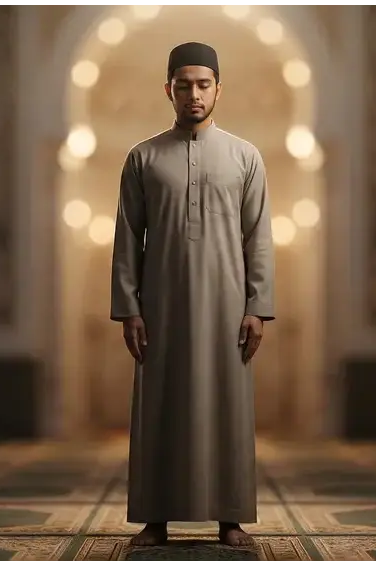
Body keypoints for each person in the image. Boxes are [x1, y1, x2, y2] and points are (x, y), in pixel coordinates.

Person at [109, 41, 275, 547]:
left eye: (204, 85)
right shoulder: (143, 157)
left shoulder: (246, 156)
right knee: (159, 405)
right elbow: (126, 237)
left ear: (219, 89)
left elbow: (258, 236)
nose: (194, 94)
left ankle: (230, 519)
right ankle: (154, 519)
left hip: (228, 309)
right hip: (161, 305)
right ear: (169, 90)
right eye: (184, 85)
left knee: (227, 405)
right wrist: (129, 308)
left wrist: (257, 308)